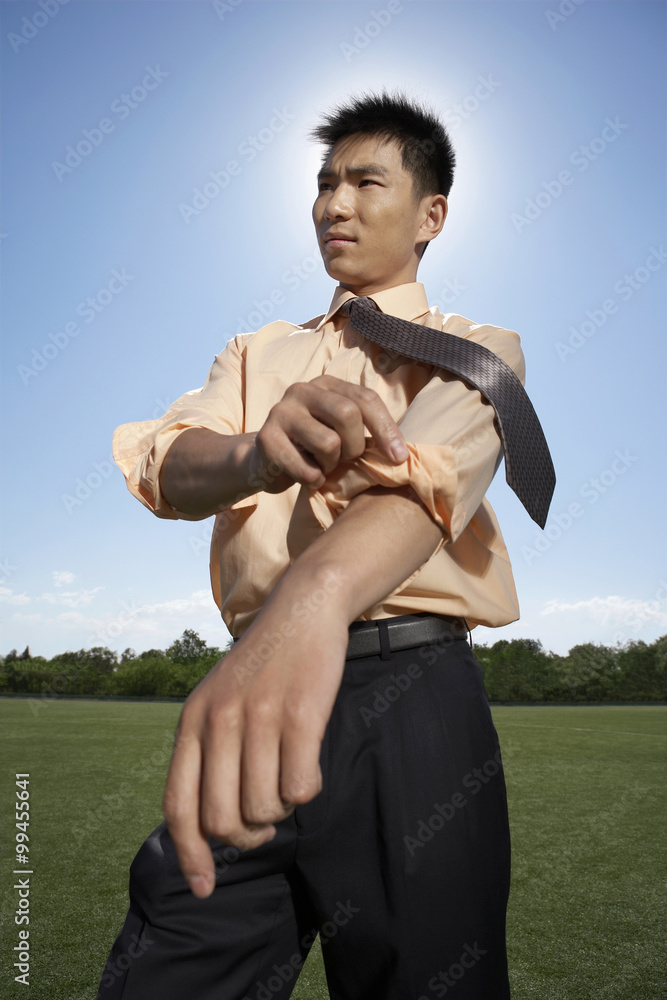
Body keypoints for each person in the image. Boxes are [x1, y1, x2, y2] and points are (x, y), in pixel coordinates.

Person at [98, 91, 526, 1000]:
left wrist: (313, 597)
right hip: (256, 694)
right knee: (168, 964)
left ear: (430, 215)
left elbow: (427, 488)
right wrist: (257, 451)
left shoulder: (480, 351)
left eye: (365, 181)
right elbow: (167, 464)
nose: (333, 204)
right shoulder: (255, 353)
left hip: (411, 707)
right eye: (324, 183)